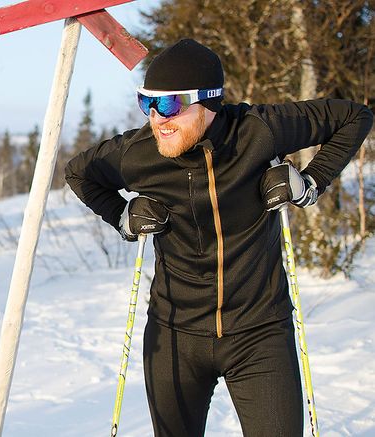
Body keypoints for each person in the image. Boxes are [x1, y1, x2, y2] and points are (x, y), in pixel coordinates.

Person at [65, 38, 373, 436]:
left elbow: (355, 117)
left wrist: (309, 183)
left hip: (260, 333)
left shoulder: (258, 131)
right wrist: (122, 216)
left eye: (170, 104)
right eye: (147, 103)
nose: (158, 119)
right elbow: (78, 173)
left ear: (208, 103)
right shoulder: (139, 153)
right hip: (175, 335)